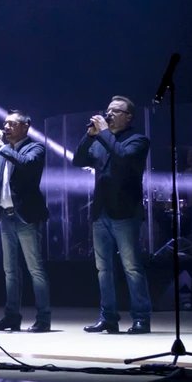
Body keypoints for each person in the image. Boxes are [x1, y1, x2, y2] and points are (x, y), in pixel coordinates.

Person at [73, 96, 152, 335]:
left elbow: (123, 158)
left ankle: (141, 318)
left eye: (116, 111)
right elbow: (78, 160)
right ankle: (108, 318)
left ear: (128, 117)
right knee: (103, 269)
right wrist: (89, 136)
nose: (110, 114)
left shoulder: (138, 140)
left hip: (125, 211)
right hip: (101, 211)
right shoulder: (100, 140)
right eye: (108, 110)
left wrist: (104, 133)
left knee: (131, 267)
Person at [0, 111, 51, 332]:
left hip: (27, 216)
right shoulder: (2, 151)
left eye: (12, 124)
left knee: (35, 269)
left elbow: (26, 164)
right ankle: (11, 317)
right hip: (6, 216)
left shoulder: (35, 148)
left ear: (25, 126)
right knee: (10, 271)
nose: (6, 127)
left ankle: (43, 318)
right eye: (5, 124)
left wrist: (1, 146)